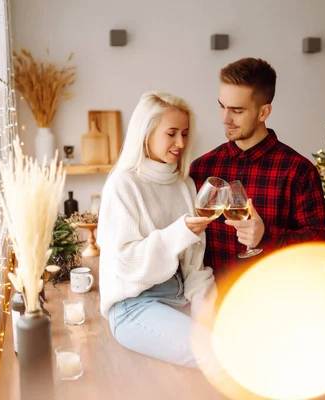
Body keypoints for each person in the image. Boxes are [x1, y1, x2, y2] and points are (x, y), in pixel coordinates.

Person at [97, 91, 217, 368]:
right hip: (134, 306)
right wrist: (180, 232)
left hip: (178, 299)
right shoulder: (123, 185)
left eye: (185, 134)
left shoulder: (184, 185)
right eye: (171, 133)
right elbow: (126, 261)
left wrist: (206, 314)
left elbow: (195, 266)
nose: (180, 143)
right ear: (145, 134)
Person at [190, 57, 325, 281]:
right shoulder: (202, 168)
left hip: (273, 304)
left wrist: (267, 236)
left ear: (263, 112)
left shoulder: (298, 170)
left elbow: (322, 245)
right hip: (211, 304)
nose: (225, 119)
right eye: (222, 106)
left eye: (237, 110)